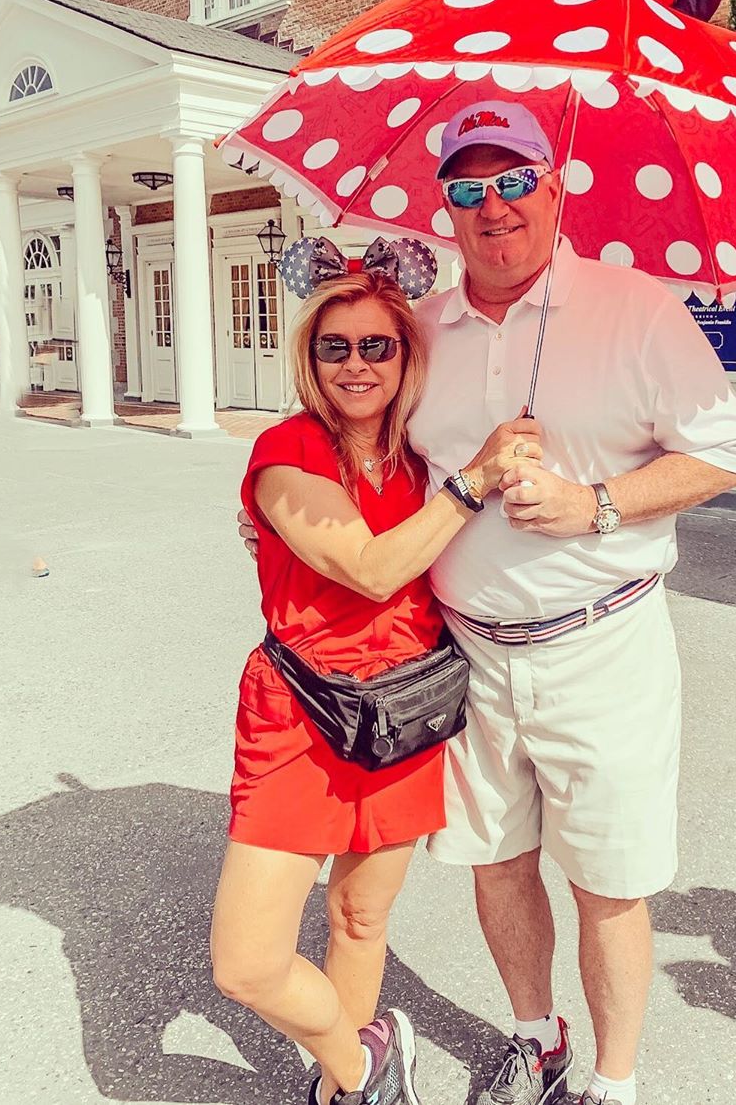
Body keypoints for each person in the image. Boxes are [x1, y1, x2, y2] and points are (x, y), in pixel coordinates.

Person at [242, 99, 736, 1105]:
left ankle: (613, 1083)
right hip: (465, 656)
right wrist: (288, 511)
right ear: (446, 208)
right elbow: (356, 432)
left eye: (515, 181)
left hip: (601, 646)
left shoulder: (633, 308)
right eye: (469, 190)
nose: (495, 208)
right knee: (497, 861)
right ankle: (537, 1037)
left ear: (554, 188)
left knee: (608, 879)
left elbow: (725, 452)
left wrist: (595, 502)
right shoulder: (421, 330)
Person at [213, 265, 541, 1105]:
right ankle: (366, 1058)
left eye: (376, 346)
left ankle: (342, 1092)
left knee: (361, 920)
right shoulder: (287, 448)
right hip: (301, 715)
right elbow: (370, 567)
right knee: (246, 962)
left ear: (405, 357)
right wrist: (479, 476)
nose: (355, 365)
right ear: (309, 358)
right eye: (334, 347)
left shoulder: (418, 452)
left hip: (405, 715)